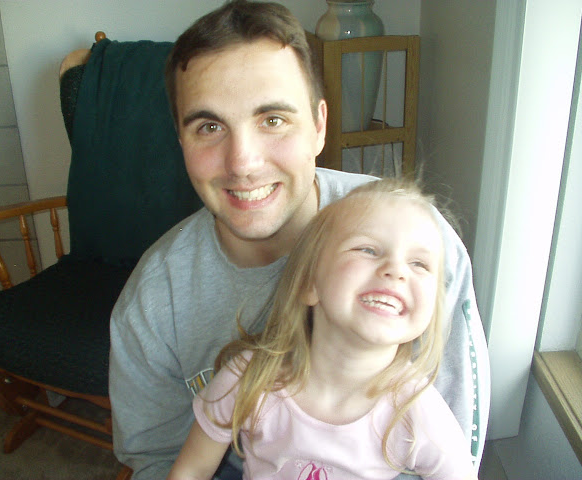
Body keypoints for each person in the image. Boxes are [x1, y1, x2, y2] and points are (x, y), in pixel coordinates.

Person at [109, 1, 489, 479]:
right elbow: (159, 462)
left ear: (319, 126)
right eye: (210, 127)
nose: (243, 163)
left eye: (273, 119)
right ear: (181, 142)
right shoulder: (151, 303)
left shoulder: (419, 248)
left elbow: (452, 450)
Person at [167, 179, 478, 480]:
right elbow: (191, 472)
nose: (396, 270)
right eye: (368, 250)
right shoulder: (249, 379)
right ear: (310, 283)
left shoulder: (417, 412)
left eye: (419, 264)